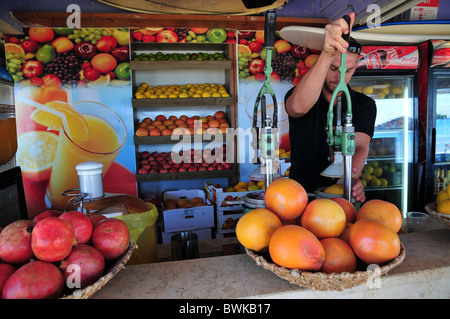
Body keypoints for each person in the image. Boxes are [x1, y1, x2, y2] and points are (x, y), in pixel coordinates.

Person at [284, 13, 376, 203]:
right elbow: (297, 108)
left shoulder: (363, 105)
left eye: (347, 71)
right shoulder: (302, 94)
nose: (339, 78)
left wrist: (350, 178)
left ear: (356, 67)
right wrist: (327, 54)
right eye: (333, 69)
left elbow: (359, 145)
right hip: (300, 198)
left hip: (341, 197)